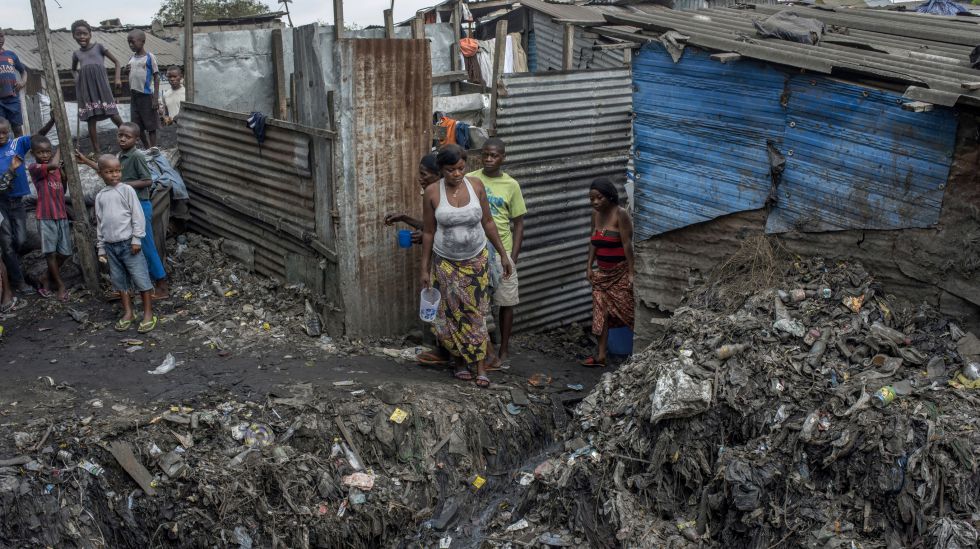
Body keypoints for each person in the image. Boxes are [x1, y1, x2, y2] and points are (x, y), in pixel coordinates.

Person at [420, 144, 512, 388]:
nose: (457, 174)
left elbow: (489, 222)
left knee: (477, 313)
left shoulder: (477, 186)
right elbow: (428, 232)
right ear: (441, 170)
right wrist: (424, 268)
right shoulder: (432, 192)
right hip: (446, 263)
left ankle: (480, 366)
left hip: (476, 260)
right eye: (451, 170)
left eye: (461, 168)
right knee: (451, 314)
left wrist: (503, 254)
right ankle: (459, 363)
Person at [78, 123, 168, 299]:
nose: (122, 139)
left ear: (136, 139)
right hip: (125, 206)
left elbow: (148, 180)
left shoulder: (136, 156)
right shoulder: (122, 156)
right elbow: (107, 170)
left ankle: (162, 285)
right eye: (120, 135)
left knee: (146, 245)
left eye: (127, 136)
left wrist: (122, 185)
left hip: (139, 205)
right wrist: (86, 161)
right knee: (127, 248)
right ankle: (128, 287)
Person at [467, 138, 525, 367]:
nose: (489, 159)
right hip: (476, 249)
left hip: (503, 252)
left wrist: (513, 256)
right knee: (477, 302)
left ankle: (504, 349)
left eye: (495, 156)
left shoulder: (512, 185)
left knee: (506, 302)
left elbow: (519, 223)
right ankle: (480, 350)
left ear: (503, 158)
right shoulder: (471, 179)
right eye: (486, 155)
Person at [93, 154, 156, 332]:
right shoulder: (100, 196)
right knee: (120, 282)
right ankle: (128, 312)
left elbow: (138, 215)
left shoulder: (127, 190)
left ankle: (148, 313)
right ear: (100, 173)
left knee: (140, 277)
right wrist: (101, 248)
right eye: (109, 172)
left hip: (129, 244)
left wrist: (137, 239)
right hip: (111, 247)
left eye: (118, 171)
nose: (115, 175)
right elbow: (100, 223)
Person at [582, 178, 634, 367]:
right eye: (592, 199)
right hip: (602, 275)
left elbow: (628, 244)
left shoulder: (620, 215)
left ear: (610, 197)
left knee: (627, 311)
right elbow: (592, 241)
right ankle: (601, 355)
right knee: (600, 312)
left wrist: (631, 272)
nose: (595, 202)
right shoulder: (594, 216)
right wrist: (589, 266)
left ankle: (639, 352)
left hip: (619, 272)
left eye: (599, 198)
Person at [0, 116, 54, 294]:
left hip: (17, 202)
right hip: (1, 204)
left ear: (8, 132)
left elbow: (38, 137)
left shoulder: (17, 144)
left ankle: (10, 265)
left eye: (4, 132)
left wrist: (52, 121)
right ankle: (18, 282)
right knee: (7, 243)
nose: (1, 135)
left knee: (21, 240)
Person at [28, 137, 73, 301]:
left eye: (48, 151)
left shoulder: (56, 171)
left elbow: (63, 189)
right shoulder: (35, 168)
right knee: (50, 253)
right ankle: (60, 285)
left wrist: (65, 176)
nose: (45, 155)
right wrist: (62, 148)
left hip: (61, 215)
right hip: (46, 216)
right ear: (33, 154)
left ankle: (46, 277)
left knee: (66, 252)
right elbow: (52, 164)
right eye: (40, 152)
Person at [71, 20, 124, 155]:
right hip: (87, 90)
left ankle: (129, 137)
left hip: (102, 87)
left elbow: (117, 62)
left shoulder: (99, 47)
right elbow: (73, 69)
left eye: (84, 33)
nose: (82, 36)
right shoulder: (77, 54)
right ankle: (97, 151)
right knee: (91, 118)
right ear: (74, 36)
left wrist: (117, 78)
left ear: (90, 34)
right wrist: (77, 79)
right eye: (78, 34)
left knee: (113, 113)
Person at [126, 30, 160, 148]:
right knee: (136, 126)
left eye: (133, 42)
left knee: (151, 125)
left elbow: (156, 77)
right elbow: (131, 76)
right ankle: (147, 147)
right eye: (129, 42)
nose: (130, 45)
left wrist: (155, 98)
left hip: (146, 95)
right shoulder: (131, 58)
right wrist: (127, 72)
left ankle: (154, 149)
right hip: (134, 96)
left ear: (143, 42)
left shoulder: (150, 57)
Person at [0, 30, 28, 137]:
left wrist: (23, 82)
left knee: (17, 129)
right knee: (1, 129)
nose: (0, 39)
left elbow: (23, 71)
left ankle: (19, 153)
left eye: (2, 36)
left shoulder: (11, 55)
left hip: (12, 99)